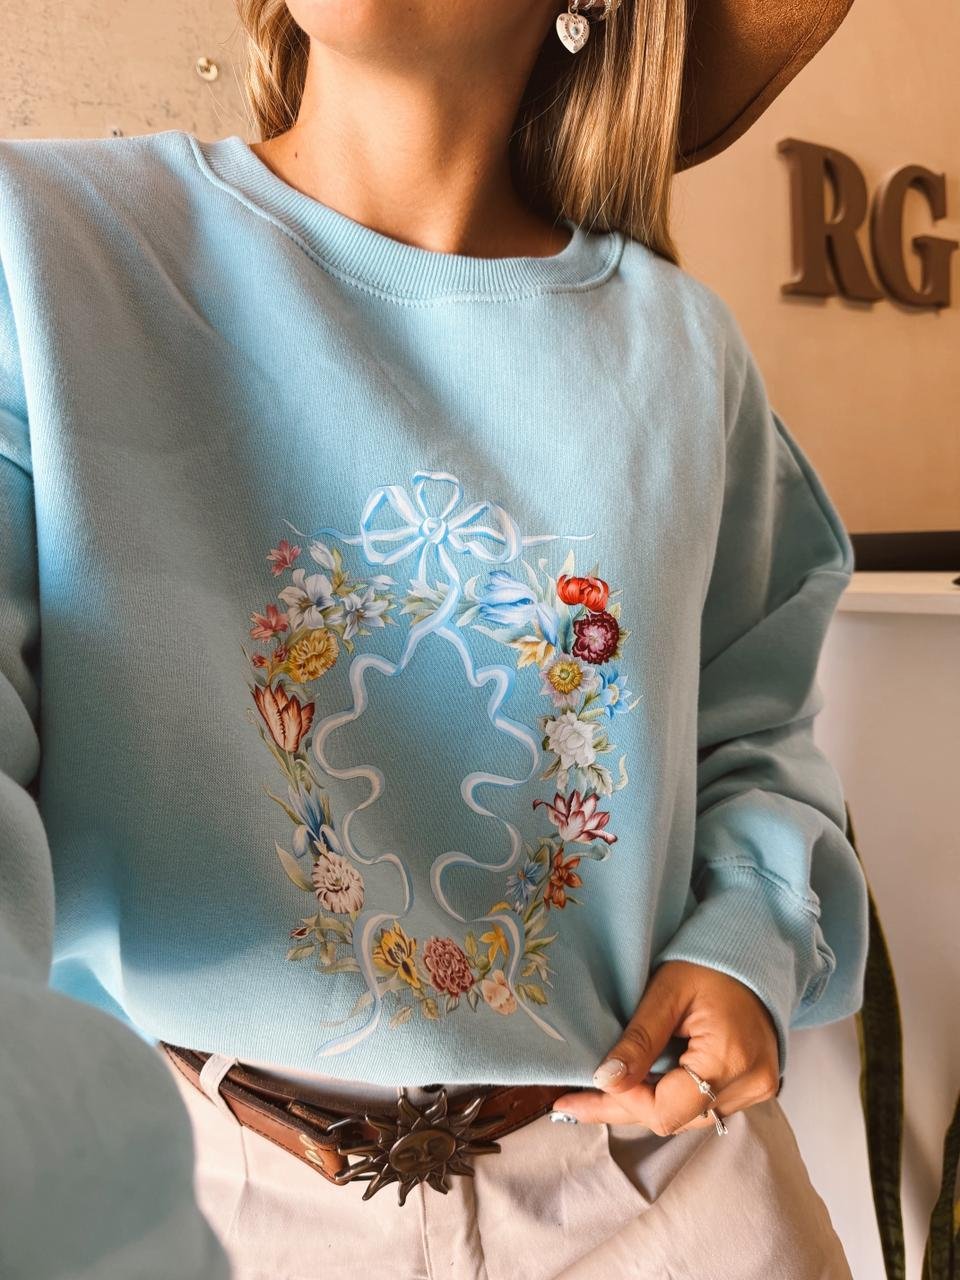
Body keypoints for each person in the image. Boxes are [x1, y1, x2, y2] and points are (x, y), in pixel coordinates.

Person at [0, 0, 868, 1275]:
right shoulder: (39, 253)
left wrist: (744, 939)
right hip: (200, 1192)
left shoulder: (689, 356)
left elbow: (753, 723)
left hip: (653, 1187)